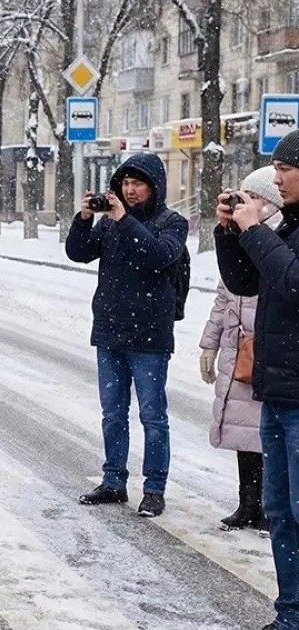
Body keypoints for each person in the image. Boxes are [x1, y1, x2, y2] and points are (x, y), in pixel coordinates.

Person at [66, 153, 189, 518]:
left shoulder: (173, 223)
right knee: (113, 414)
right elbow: (78, 253)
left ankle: (154, 488)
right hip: (109, 331)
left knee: (153, 416)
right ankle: (114, 480)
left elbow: (157, 255)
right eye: (125, 183)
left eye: (138, 183)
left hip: (150, 336)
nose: (130, 190)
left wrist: (122, 219)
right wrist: (85, 218)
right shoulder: (107, 224)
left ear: (154, 187)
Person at [215, 129, 299, 630]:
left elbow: (293, 282)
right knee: (282, 514)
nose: (277, 176)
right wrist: (232, 233)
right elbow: (247, 282)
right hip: (277, 392)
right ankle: (289, 614)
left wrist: (256, 231)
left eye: (286, 167)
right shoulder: (287, 226)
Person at [200, 166, 284, 535]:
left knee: (265, 434)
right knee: (242, 433)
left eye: (260, 198)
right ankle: (247, 503)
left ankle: (270, 507)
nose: (251, 204)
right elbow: (224, 296)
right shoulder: (240, 238)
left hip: (266, 351)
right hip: (240, 351)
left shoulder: (278, 240)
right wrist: (210, 344)